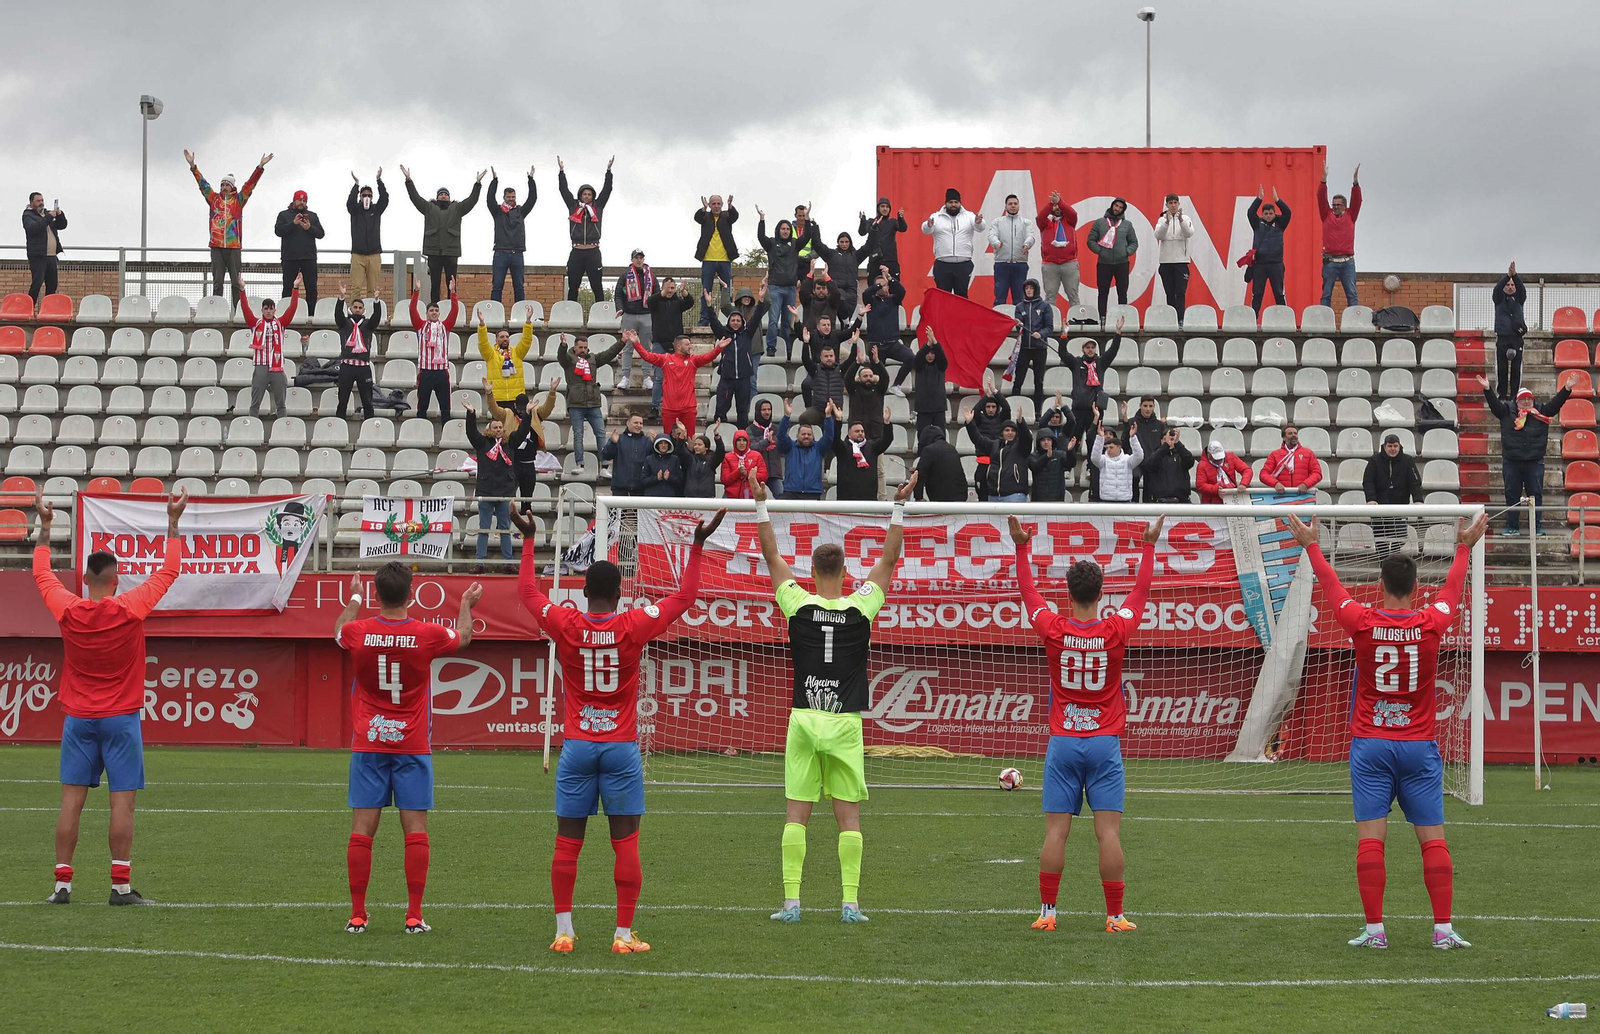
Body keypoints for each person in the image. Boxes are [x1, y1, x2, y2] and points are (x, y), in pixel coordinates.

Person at [514, 506, 722, 953]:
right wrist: (698, 545)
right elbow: (684, 599)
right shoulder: (632, 625)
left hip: (577, 747)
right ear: (621, 591)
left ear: (584, 591)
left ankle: (563, 933)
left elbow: (529, 592)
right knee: (625, 840)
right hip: (621, 748)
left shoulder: (566, 623)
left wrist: (530, 539)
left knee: (568, 842)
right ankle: (623, 935)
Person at [1285, 512, 1488, 951]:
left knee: (1371, 840)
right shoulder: (1431, 621)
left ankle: (1376, 932)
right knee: (1432, 839)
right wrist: (1464, 547)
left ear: (1380, 586)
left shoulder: (1361, 620)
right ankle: (1443, 930)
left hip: (1372, 745)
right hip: (1418, 746)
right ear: (1416, 588)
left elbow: (1331, 587)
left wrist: (1313, 546)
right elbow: (1453, 590)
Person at [753, 470, 917, 924]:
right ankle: (850, 904)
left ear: (810, 573)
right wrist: (898, 506)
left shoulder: (798, 605)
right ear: (846, 574)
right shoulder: (861, 607)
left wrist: (761, 502)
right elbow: (887, 559)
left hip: (805, 718)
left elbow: (770, 556)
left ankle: (790, 904)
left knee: (796, 816)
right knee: (849, 821)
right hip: (844, 721)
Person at [33, 486, 189, 907]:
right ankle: (120, 887)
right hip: (120, 718)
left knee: (71, 802)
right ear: (117, 579)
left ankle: (62, 885)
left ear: (84, 579)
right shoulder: (131, 608)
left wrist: (46, 529)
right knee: (123, 802)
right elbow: (169, 571)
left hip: (78, 718)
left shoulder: (68, 609)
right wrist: (172, 522)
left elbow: (42, 575)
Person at [1009, 513, 1163, 935]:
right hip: (1103, 743)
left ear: (1068, 592)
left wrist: (1022, 546)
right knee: (1107, 833)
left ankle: (1048, 912)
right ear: (1101, 594)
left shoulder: (1054, 629)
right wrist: (1148, 545)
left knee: (1056, 833)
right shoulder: (1115, 629)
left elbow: (1027, 591)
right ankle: (1114, 916)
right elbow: (1142, 591)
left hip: (1063, 742)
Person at [333, 563, 481, 935]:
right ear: (411, 594)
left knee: (362, 830)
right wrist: (466, 603)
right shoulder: (426, 634)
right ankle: (413, 916)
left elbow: (336, 631)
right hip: (412, 743)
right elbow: (463, 637)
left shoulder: (357, 632)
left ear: (377, 595)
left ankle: (357, 915)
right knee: (415, 829)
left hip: (369, 742)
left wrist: (353, 596)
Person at [1479, 376, 1570, 536]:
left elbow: (1556, 404)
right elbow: (1494, 406)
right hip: (1511, 461)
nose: (1527, 402)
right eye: (1523, 399)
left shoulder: (1541, 411)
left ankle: (1536, 527)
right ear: (1517, 401)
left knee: (1535, 494)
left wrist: (1567, 389)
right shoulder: (1506, 411)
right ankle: (1512, 526)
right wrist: (1487, 389)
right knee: (1512, 494)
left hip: (1534, 462)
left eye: (1529, 399)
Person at [185, 149, 269, 307]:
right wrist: (193, 166)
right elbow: (203, 185)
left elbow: (250, 185)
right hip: (216, 246)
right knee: (217, 282)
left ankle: (237, 312)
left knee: (236, 283)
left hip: (233, 247)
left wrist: (260, 167)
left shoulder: (238, 200)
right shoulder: (213, 199)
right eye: (222, 184)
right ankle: (217, 311)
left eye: (226, 185)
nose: (223, 187)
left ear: (232, 187)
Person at [401, 166, 484, 304]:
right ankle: (434, 308)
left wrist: (478, 184)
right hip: (434, 252)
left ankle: (452, 307)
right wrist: (408, 180)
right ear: (437, 196)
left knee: (451, 283)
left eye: (446, 194)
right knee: (435, 284)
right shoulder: (428, 207)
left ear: (449, 197)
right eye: (441, 194)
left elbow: (471, 201)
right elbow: (415, 198)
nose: (443, 196)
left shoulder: (457, 208)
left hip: (451, 252)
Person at [485, 376, 558, 517]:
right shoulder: (507, 414)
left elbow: (548, 409)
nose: (522, 412)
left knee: (527, 498)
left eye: (524, 410)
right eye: (519, 409)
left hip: (529, 463)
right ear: (514, 407)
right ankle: (505, 522)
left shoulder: (535, 413)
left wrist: (552, 392)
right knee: (508, 496)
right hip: (511, 462)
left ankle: (525, 527)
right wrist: (489, 394)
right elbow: (494, 409)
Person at [633, 330, 725, 437]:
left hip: (688, 409)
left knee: (690, 438)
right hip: (669, 409)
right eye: (687, 344)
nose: (690, 347)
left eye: (690, 344)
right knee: (667, 439)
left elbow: (709, 357)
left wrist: (719, 348)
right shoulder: (665, 359)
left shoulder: (693, 360)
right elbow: (647, 356)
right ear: (678, 346)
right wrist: (636, 343)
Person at [557, 333, 627, 466]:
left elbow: (609, 353)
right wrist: (563, 346)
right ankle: (579, 463)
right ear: (575, 347)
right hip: (575, 403)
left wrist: (622, 342)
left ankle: (605, 464)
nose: (583, 350)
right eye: (580, 347)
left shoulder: (593, 359)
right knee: (578, 435)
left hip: (593, 403)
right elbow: (561, 357)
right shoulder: (569, 360)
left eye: (585, 347)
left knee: (600, 434)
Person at [463, 405, 516, 571]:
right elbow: (471, 432)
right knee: (483, 528)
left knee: (505, 530)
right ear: (490, 429)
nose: (499, 430)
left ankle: (510, 563)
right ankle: (479, 563)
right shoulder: (482, 443)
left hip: (504, 492)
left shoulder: (510, 443)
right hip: (486, 491)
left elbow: (521, 433)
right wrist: (471, 414)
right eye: (495, 427)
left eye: (501, 427)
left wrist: (528, 414)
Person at [238, 279, 300, 417]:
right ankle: (252, 431)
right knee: (255, 403)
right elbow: (245, 309)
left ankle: (282, 430)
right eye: (266, 308)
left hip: (277, 366)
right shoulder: (255, 323)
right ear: (262, 310)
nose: (268, 311)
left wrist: (295, 288)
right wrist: (242, 290)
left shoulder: (281, 323)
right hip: (261, 365)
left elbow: (292, 309)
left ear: (274, 310)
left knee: (281, 404)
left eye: (271, 308)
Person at [709, 286, 769, 427]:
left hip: (743, 379)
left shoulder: (747, 334)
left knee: (742, 411)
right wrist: (709, 305)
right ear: (729, 321)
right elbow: (713, 322)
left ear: (742, 322)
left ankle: (742, 436)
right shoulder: (723, 333)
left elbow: (756, 316)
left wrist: (760, 300)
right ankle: (720, 435)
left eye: (738, 320)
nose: (735, 323)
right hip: (726, 379)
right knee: (721, 409)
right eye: (733, 320)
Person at [558, 156, 614, 303]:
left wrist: (608, 171)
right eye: (584, 194)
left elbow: (607, 190)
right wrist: (561, 171)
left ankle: (601, 314)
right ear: (580, 195)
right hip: (576, 251)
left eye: (589, 194)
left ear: (592, 196)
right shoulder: (573, 206)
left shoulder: (598, 206)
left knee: (597, 286)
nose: (587, 196)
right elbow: (563, 190)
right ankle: (571, 315)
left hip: (593, 251)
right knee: (573, 286)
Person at [757, 210, 812, 355]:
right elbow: (760, 237)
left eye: (788, 229)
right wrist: (762, 219)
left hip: (791, 289)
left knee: (787, 322)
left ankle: (786, 348)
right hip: (775, 287)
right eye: (783, 228)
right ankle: (771, 347)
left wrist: (807, 219)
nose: (786, 231)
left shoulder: (795, 244)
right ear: (778, 230)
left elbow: (807, 236)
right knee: (773, 321)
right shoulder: (771, 243)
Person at [1058, 316, 1124, 439]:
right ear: (1083, 350)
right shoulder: (1076, 363)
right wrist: (1064, 333)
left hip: (1095, 410)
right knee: (1074, 440)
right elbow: (1063, 353)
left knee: (1094, 442)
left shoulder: (1101, 362)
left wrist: (1118, 332)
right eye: (1087, 347)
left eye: (1092, 347)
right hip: (1078, 408)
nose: (1090, 350)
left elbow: (1113, 350)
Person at [409, 281, 461, 421]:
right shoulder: (420, 325)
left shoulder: (445, 326)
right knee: (422, 408)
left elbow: (454, 311)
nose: (434, 312)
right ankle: (420, 435)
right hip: (425, 372)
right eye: (431, 310)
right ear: (426, 313)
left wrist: (453, 292)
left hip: (442, 372)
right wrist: (416, 292)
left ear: (439, 313)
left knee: (445, 409)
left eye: (436, 310)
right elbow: (412, 310)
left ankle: (446, 436)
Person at [1364, 433, 1423, 556]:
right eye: (1390, 446)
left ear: (1399, 446)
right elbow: (1368, 481)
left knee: (1400, 537)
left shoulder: (1408, 461)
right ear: (1384, 447)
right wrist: (1371, 499)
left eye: (1395, 446)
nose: (1393, 449)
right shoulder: (1375, 460)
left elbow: (1415, 482)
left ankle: (1394, 557)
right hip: (1379, 507)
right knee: (1381, 540)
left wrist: (1418, 499)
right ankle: (1383, 564)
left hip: (1400, 506)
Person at [645, 277, 696, 418]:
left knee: (679, 378)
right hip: (659, 344)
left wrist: (683, 291)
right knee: (659, 377)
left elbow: (690, 302)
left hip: (676, 345)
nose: (670, 291)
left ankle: (678, 406)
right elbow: (649, 302)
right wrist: (662, 293)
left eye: (672, 288)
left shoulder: (678, 302)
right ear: (662, 288)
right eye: (668, 288)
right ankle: (655, 408)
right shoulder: (656, 301)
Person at [486, 167, 537, 304]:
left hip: (517, 253)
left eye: (513, 197)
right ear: (504, 197)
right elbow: (489, 199)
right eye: (508, 197)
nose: (511, 199)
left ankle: (520, 314)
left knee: (519, 287)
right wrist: (494, 181)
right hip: (500, 253)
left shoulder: (521, 211)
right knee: (497, 286)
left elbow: (532, 199)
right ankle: (494, 314)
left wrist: (531, 180)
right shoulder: (497, 211)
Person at [921, 188, 985, 296]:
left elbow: (981, 227)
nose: (953, 205)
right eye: (950, 202)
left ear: (960, 203)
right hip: (942, 264)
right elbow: (926, 230)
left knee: (962, 296)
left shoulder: (969, 216)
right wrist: (928, 225)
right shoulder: (936, 217)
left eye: (956, 202)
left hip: (963, 263)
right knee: (943, 296)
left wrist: (978, 223)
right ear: (946, 204)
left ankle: (961, 314)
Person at [334, 285, 385, 420]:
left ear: (363, 310)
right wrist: (341, 298)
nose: (357, 309)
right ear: (350, 308)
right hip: (347, 366)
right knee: (342, 400)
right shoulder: (344, 323)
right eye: (355, 307)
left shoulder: (368, 324)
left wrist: (376, 300)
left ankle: (369, 428)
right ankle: (340, 427)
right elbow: (338, 314)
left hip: (363, 367)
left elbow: (376, 317)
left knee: (367, 401)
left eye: (360, 308)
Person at [859, 268, 913, 395]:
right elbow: (866, 293)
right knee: (875, 377)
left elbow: (902, 291)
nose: (881, 287)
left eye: (884, 285)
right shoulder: (870, 301)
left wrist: (889, 277)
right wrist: (879, 284)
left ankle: (896, 385)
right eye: (878, 285)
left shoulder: (893, 300)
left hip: (893, 343)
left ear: (888, 287)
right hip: (875, 345)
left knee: (911, 357)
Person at [966, 406, 1033, 503]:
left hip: (1015, 495)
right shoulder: (994, 445)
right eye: (1007, 430)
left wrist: (1020, 422)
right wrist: (970, 423)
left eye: (1013, 430)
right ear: (1002, 432)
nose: (1010, 433)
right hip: (993, 495)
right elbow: (978, 439)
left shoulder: (1021, 447)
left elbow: (1027, 438)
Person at [1318, 160, 1362, 308]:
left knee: (1352, 293)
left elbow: (1357, 200)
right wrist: (1323, 180)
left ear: (1345, 205)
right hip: (1330, 261)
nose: (1335, 207)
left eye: (1339, 205)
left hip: (1347, 261)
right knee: (1326, 294)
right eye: (1334, 204)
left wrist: (1355, 183)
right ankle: (1324, 322)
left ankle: (1354, 320)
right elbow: (1320, 198)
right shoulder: (1326, 215)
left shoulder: (1351, 215)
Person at [1086, 198, 1137, 320]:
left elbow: (1134, 242)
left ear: (1123, 210)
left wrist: (1126, 252)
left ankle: (1123, 318)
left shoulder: (1127, 225)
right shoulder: (1099, 223)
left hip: (1122, 264)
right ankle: (1102, 317)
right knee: (1103, 292)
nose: (1117, 209)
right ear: (1112, 206)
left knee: (1122, 292)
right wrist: (1100, 251)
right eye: (1116, 206)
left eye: (1120, 207)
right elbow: (1090, 240)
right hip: (1104, 263)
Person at [275, 190, 325, 312]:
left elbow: (321, 234)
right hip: (289, 258)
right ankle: (285, 314)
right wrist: (293, 224)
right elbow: (278, 231)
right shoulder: (284, 215)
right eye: (299, 200)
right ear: (294, 200)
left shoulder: (312, 216)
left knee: (311, 288)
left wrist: (309, 228)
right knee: (288, 287)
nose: (301, 203)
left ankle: (311, 314)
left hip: (309, 257)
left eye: (304, 200)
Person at [1246, 187, 1292, 315]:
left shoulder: (1280, 223)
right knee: (1257, 294)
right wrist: (1259, 199)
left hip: (1276, 264)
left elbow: (1287, 212)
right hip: (1259, 265)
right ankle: (1252, 320)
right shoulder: (1257, 223)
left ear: (1274, 214)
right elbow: (1250, 212)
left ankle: (1284, 319)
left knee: (1279, 293)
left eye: (1271, 213)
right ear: (1262, 214)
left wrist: (1278, 201)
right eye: (1266, 213)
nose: (1268, 216)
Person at [694, 194, 739, 325]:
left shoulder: (726, 216)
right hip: (708, 259)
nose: (716, 206)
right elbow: (697, 217)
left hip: (725, 260)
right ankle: (704, 319)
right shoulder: (706, 217)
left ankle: (729, 319)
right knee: (706, 291)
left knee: (726, 291)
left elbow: (734, 216)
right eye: (713, 204)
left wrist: (731, 207)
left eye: (719, 204)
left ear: (722, 205)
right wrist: (703, 208)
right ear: (710, 205)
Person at [833, 409, 896, 501]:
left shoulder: (872, 446)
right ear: (849, 434)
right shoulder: (843, 448)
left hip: (869, 499)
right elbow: (834, 439)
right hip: (846, 500)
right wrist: (838, 421)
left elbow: (887, 440)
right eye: (857, 431)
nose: (860, 433)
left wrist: (886, 423)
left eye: (862, 431)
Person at [811, 230, 874, 321]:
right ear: (838, 243)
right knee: (840, 300)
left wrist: (874, 229)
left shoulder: (856, 255)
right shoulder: (832, 255)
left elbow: (869, 246)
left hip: (851, 289)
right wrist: (814, 227)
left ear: (850, 242)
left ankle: (846, 324)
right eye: (842, 242)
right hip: (836, 288)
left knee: (848, 313)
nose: (844, 244)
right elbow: (818, 245)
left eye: (846, 242)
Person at [1011, 278, 1054, 411]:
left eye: (1031, 288)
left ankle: (1037, 410)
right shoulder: (1019, 307)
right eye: (1026, 288)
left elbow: (1049, 327)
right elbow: (1018, 327)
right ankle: (1014, 404)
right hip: (1024, 348)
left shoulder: (1045, 306)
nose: (1029, 291)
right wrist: (1020, 325)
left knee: (1038, 380)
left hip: (1039, 348)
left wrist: (1040, 334)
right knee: (1019, 378)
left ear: (1036, 290)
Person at [777, 399, 833, 500]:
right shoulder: (790, 447)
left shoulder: (818, 449)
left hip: (813, 493)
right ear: (797, 435)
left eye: (809, 434)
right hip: (791, 492)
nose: (806, 436)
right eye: (803, 434)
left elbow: (829, 436)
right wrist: (786, 416)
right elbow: (781, 435)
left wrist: (828, 416)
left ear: (813, 436)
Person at [616, 249, 656, 389]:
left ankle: (646, 377)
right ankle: (625, 377)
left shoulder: (650, 275)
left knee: (646, 348)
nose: (639, 260)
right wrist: (620, 308)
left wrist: (656, 311)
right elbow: (618, 294)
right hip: (629, 315)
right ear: (632, 259)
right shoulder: (625, 275)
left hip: (647, 315)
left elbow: (656, 294)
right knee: (627, 347)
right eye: (636, 257)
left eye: (641, 257)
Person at [477, 310, 536, 406]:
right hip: (497, 398)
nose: (505, 339)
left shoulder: (517, 352)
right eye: (501, 337)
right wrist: (482, 324)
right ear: (496, 340)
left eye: (507, 337)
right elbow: (483, 343)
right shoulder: (490, 354)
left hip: (516, 398)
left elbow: (526, 340)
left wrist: (528, 321)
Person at [346, 170, 388, 302]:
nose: (367, 197)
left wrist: (379, 181)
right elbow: (349, 203)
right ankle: (354, 313)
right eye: (364, 195)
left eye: (369, 195)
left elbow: (385, 199)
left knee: (372, 288)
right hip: (358, 254)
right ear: (360, 196)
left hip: (374, 254)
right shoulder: (355, 211)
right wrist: (356, 185)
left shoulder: (376, 210)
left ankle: (370, 314)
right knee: (356, 287)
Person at [988, 193, 1037, 306]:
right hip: (1002, 264)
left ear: (1019, 206)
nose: (1013, 206)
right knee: (1000, 297)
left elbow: (1031, 236)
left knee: (1019, 298)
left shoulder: (1026, 222)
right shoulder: (997, 222)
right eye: (1010, 204)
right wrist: (996, 243)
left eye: (1015, 203)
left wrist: (1027, 244)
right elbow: (991, 235)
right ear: (1005, 207)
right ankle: (998, 322)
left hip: (1020, 264)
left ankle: (1020, 322)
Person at [1153, 194, 1194, 323]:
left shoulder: (1186, 218)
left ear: (1179, 204)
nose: (1173, 205)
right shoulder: (1162, 220)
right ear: (1166, 205)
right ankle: (1172, 320)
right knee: (1169, 292)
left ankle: (1181, 319)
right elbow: (1158, 235)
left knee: (1180, 292)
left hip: (1181, 262)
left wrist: (1181, 220)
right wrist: (1166, 222)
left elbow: (1189, 233)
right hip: (1166, 262)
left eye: (1175, 202)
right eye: (1170, 203)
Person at [969, 384, 1013, 502]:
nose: (991, 409)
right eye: (988, 406)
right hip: (983, 462)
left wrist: (995, 392)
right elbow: (974, 412)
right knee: (982, 492)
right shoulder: (979, 420)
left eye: (993, 406)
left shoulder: (1002, 419)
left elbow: (1007, 408)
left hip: (998, 462)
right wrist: (986, 396)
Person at [1037, 190, 1080, 306]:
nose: (1057, 208)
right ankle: (1050, 322)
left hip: (1069, 263)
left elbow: (1073, 214)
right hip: (1050, 264)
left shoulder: (1070, 221)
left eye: (1058, 206)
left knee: (1073, 295)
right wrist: (1051, 203)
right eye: (1054, 207)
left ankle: (1075, 322)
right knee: (1050, 296)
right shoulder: (1044, 223)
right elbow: (1039, 217)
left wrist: (1060, 202)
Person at [22, 192, 67, 304]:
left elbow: (62, 225)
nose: (41, 203)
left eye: (42, 200)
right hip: (38, 256)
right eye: (38, 201)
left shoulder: (47, 214)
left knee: (52, 285)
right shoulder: (28, 215)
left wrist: (60, 214)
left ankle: (49, 310)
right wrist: (49, 217)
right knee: (37, 284)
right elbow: (34, 229)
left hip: (51, 256)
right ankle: (29, 308)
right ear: (31, 202)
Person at [1491, 263, 1527, 400]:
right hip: (1502, 337)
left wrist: (1515, 276)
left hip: (1516, 337)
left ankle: (1515, 394)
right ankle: (1502, 395)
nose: (1510, 287)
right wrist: (1507, 276)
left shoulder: (1519, 299)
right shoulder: (1498, 299)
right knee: (1502, 368)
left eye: (1512, 285)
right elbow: (1497, 289)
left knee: (1516, 368)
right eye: (1508, 285)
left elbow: (1522, 289)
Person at [1090, 420, 1144, 503]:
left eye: (1111, 447)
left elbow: (1139, 456)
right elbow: (1094, 458)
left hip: (1125, 500)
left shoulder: (1127, 460)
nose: (1108, 450)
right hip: (1106, 500)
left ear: (1119, 447)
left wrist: (1133, 438)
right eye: (1107, 448)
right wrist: (1100, 438)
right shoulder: (1103, 460)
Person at [1122, 397, 1164, 501]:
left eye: (1150, 406)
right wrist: (1125, 422)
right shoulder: (1131, 422)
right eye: (1145, 406)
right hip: (1136, 461)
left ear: (1154, 407)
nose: (1148, 409)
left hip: (1152, 461)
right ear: (1140, 406)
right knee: (1134, 477)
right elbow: (1125, 444)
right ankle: (1133, 506)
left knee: (1150, 491)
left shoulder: (1159, 425)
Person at [1139, 426, 1194, 504]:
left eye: (1172, 439)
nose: (1170, 441)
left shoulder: (1181, 455)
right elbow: (1149, 465)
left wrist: (1178, 444)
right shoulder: (1156, 455)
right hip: (1160, 501)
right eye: (1166, 439)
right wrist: (1165, 446)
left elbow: (1190, 461)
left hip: (1181, 501)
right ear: (1161, 441)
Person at [1260, 424, 1322, 492]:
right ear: (1284, 438)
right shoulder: (1274, 455)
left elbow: (1317, 473)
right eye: (1290, 433)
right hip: (1282, 496)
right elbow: (1263, 474)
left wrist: (1306, 484)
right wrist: (1275, 484)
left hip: (1303, 495)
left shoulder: (1308, 453)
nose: (1293, 435)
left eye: (1295, 433)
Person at [602, 414, 654, 496]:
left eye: (641, 423)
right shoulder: (619, 439)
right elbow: (606, 456)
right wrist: (613, 443)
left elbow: (654, 460)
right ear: (628, 423)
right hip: (620, 488)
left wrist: (655, 444)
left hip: (640, 489)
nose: (639, 425)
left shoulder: (647, 441)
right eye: (636, 423)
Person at [910, 331, 949, 438]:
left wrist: (935, 342)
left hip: (938, 407)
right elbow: (917, 358)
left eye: (933, 353)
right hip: (923, 408)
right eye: (928, 353)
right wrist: (927, 345)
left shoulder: (941, 366)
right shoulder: (919, 366)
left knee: (941, 436)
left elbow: (942, 357)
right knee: (922, 436)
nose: (930, 356)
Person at [914, 422, 966, 502]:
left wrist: (918, 497)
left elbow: (920, 475)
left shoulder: (928, 450)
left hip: (941, 498)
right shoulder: (952, 449)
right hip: (960, 496)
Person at [858, 199, 907, 275]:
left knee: (893, 285)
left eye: (887, 207)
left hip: (890, 260)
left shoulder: (893, 222)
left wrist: (900, 218)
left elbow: (903, 228)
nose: (885, 209)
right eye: (882, 206)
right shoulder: (872, 221)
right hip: (875, 260)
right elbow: (862, 232)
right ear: (878, 208)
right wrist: (863, 221)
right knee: (874, 285)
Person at [1196, 439, 1252, 504]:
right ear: (1209, 455)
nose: (1219, 460)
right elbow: (1200, 485)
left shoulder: (1231, 456)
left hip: (1231, 497)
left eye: (1221, 458)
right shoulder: (1202, 465)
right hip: (1212, 502)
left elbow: (1247, 470)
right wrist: (1215, 489)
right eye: (1216, 459)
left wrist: (1243, 484)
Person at [748, 399, 785, 497]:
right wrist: (766, 442)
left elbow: (783, 448)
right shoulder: (750, 429)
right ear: (758, 411)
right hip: (757, 473)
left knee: (781, 498)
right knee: (754, 499)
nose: (767, 412)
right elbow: (752, 448)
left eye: (769, 409)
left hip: (774, 472)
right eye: (764, 410)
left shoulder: (777, 428)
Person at [1029, 429, 1076, 502]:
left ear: (1052, 441)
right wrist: (1047, 457)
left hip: (1057, 499)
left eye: (1048, 440)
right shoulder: (1033, 456)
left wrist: (1070, 451)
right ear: (1039, 442)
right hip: (1038, 499)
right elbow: (1035, 468)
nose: (1046, 442)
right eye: (1043, 440)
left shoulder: (1059, 455)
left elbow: (1071, 463)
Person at [680, 423, 726, 497]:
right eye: (695, 444)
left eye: (699, 445)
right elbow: (680, 451)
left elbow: (720, 452)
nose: (696, 447)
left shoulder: (711, 461)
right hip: (690, 497)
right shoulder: (690, 459)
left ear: (706, 447)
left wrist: (716, 434)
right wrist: (682, 434)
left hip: (707, 498)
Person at [721, 428, 768, 499]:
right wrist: (737, 472)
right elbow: (724, 480)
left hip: (752, 496)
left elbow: (764, 476)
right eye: (739, 440)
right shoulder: (727, 457)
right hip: (731, 497)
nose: (742, 443)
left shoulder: (757, 456)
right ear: (734, 442)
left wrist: (748, 474)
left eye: (744, 440)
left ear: (747, 442)